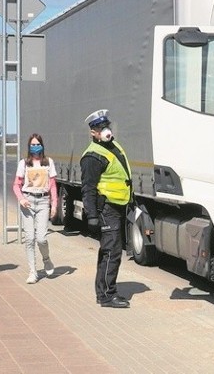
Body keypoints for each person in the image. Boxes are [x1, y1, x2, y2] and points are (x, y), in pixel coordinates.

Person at [81, 109, 131, 308]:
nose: (105, 130)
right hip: (107, 209)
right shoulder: (92, 156)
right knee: (111, 252)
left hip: (119, 206)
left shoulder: (113, 146)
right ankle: (106, 295)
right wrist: (92, 215)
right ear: (93, 132)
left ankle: (105, 292)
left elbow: (122, 175)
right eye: (100, 128)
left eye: (106, 126)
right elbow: (88, 188)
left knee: (111, 251)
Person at [12, 133, 57, 284]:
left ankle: (47, 259)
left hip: (43, 201)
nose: (35, 147)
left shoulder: (48, 162)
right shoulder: (24, 163)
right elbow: (16, 185)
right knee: (30, 239)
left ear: (42, 146)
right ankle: (33, 271)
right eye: (32, 144)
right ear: (29, 147)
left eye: (38, 144)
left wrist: (54, 205)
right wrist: (21, 199)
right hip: (28, 202)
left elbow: (53, 186)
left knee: (41, 238)